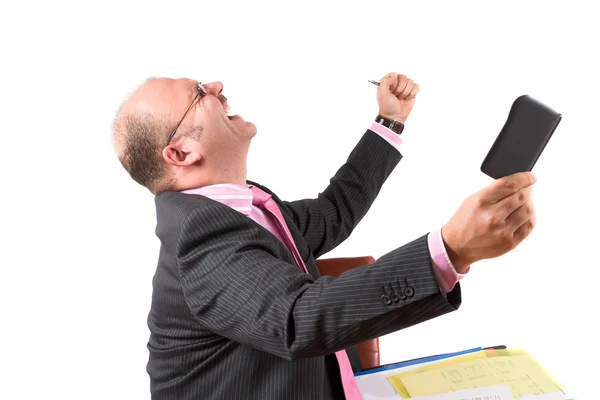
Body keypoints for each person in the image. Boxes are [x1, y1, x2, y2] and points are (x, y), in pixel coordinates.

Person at [112, 72, 537, 400]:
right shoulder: (198, 240)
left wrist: (390, 120)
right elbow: (296, 319)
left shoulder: (244, 206)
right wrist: (451, 249)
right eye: (198, 91)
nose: (217, 85)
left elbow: (334, 212)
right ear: (181, 153)